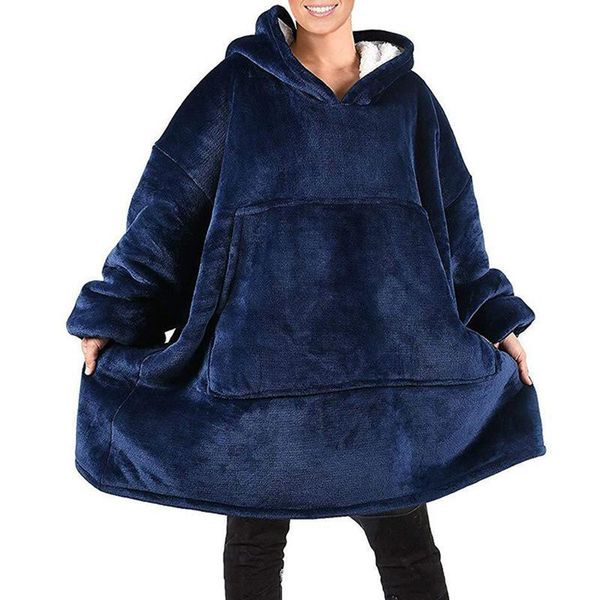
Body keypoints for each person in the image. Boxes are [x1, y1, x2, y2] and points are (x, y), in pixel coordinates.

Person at [67, 2, 545, 598]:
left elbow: (454, 224)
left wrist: (493, 317)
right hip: (260, 388)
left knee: (409, 553)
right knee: (254, 549)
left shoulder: (410, 101)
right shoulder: (236, 87)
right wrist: (118, 308)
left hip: (382, 383)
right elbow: (169, 205)